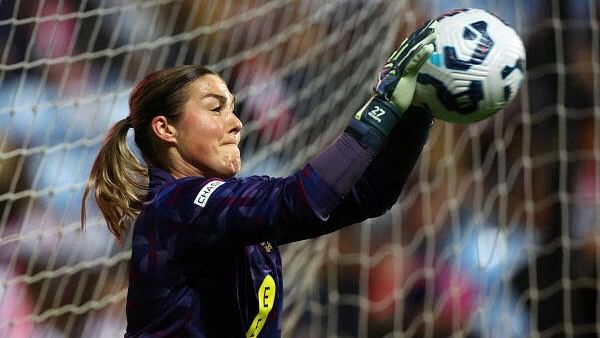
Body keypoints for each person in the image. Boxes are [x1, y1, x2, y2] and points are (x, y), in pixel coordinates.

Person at [80, 19, 438, 338]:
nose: (236, 123)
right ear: (165, 128)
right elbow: (303, 200)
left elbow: (370, 196)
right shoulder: (176, 206)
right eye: (215, 108)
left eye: (233, 109)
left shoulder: (228, 206)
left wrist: (418, 112)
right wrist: (382, 106)